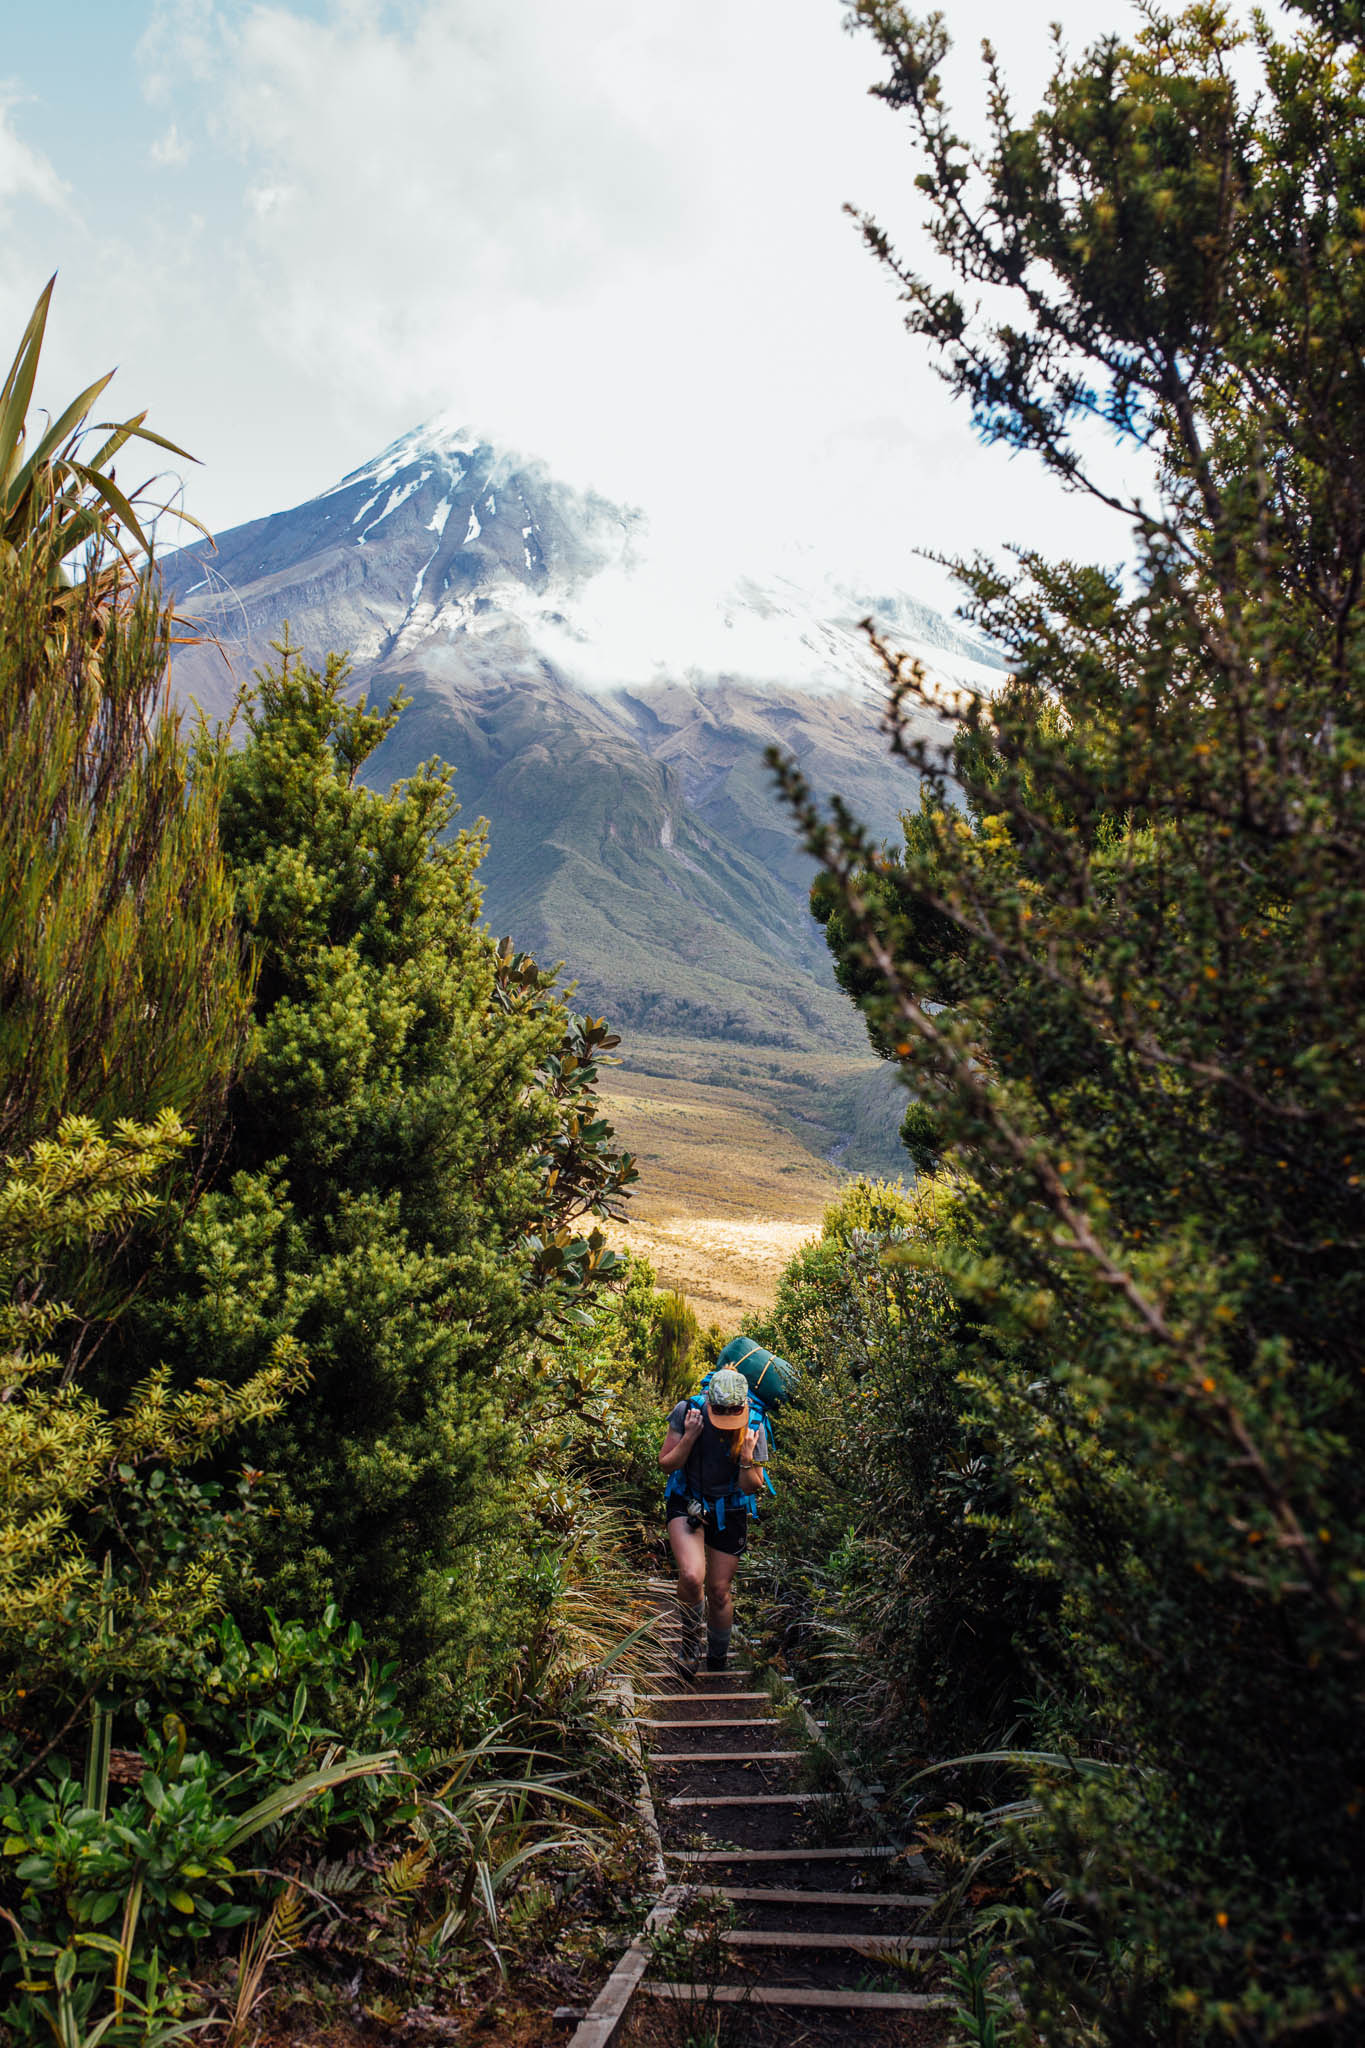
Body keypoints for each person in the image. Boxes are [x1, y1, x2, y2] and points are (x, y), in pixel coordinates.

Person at [658, 1365, 769, 1676]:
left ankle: (717, 1658)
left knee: (719, 1591)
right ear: (709, 1402)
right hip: (688, 1500)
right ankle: (690, 1646)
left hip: (731, 1508)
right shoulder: (688, 1411)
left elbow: (752, 1486)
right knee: (692, 1577)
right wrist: (690, 1436)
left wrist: (747, 1458)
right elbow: (667, 1464)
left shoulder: (754, 1422)